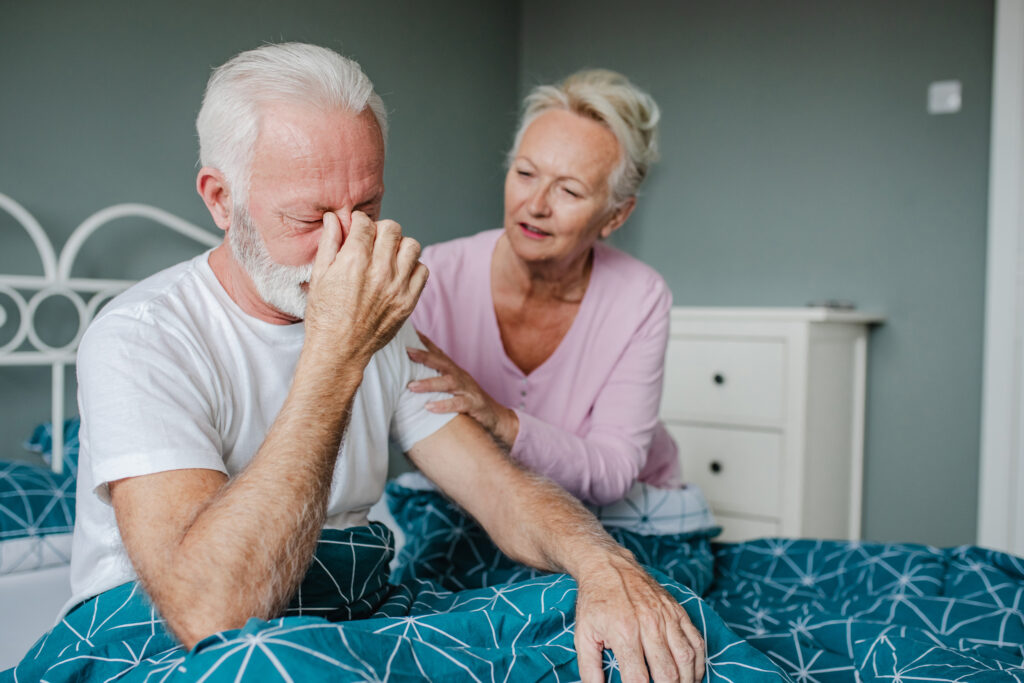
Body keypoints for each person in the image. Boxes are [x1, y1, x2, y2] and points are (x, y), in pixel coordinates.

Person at [63, 44, 704, 682]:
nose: (347, 245)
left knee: (637, 631)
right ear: (220, 199)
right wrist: (337, 353)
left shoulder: (383, 325)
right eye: (310, 217)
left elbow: (499, 491)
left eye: (367, 208)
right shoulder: (141, 338)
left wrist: (605, 566)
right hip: (165, 637)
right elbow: (212, 611)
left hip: (350, 613)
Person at [408, 69, 680, 506]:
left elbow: (613, 472)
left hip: (633, 513)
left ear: (615, 216)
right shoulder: (434, 277)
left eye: (569, 191)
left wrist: (500, 419)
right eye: (526, 173)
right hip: (493, 505)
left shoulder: (640, 298)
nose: (534, 206)